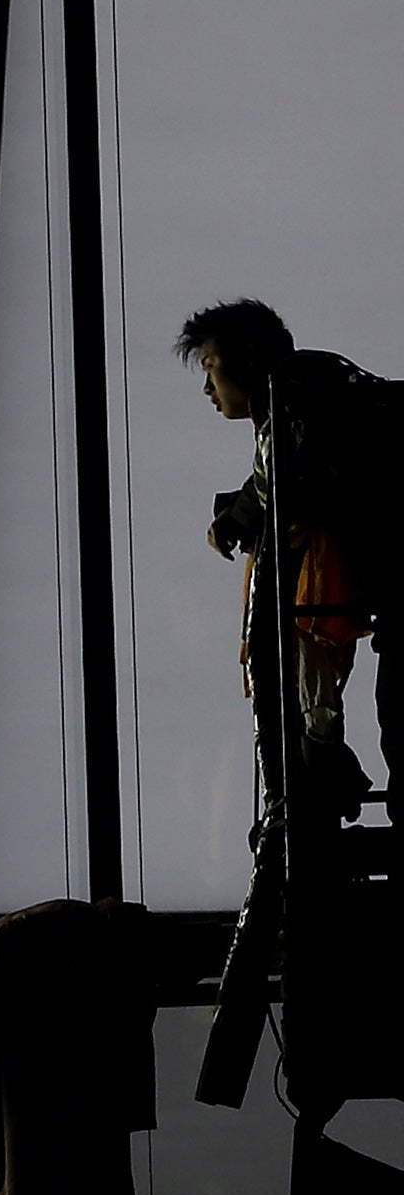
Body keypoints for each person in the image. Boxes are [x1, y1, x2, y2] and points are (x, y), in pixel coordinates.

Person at [176, 297, 396, 830]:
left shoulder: (296, 400)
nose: (206, 387)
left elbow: (283, 483)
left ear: (247, 357)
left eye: (209, 366)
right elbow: (272, 483)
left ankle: (317, 772)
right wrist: (236, 514)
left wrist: (244, 518)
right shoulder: (324, 392)